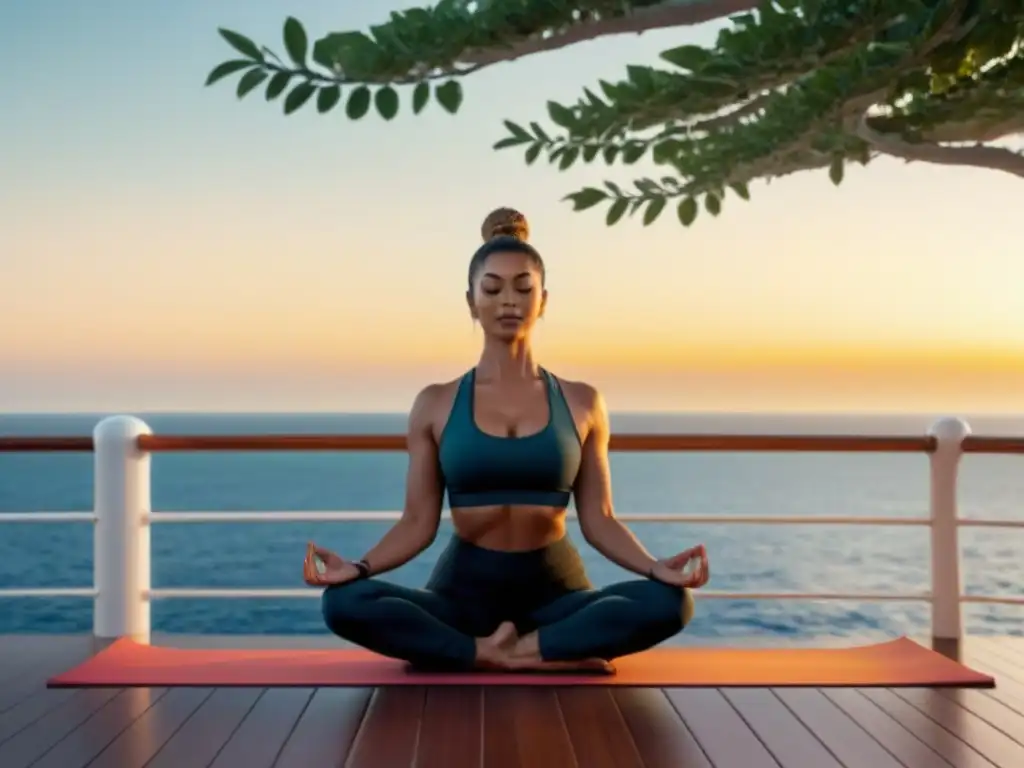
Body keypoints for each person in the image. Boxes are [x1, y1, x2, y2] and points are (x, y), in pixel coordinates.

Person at [303, 207, 710, 673]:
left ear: (544, 300)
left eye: (523, 287)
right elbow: (418, 522)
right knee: (344, 603)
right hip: (463, 601)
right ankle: (519, 651)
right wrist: (356, 569)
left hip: (557, 598)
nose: (508, 301)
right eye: (492, 288)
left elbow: (599, 519)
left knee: (671, 603)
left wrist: (656, 568)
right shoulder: (435, 403)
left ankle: (514, 650)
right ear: (471, 301)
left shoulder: (582, 401)